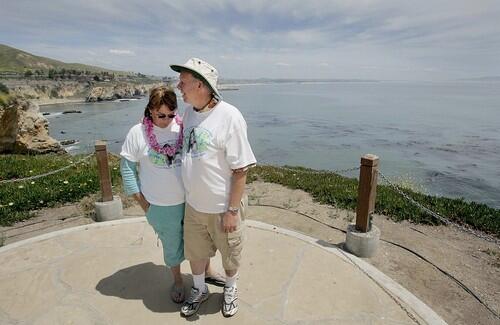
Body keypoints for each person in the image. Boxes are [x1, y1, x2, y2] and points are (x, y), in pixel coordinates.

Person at [120, 86, 224, 304]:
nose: (166, 119)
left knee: (200, 240)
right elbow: (127, 168)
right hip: (160, 205)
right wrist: (144, 204)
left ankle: (207, 271)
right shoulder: (136, 133)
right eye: (160, 115)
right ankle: (177, 280)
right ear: (150, 110)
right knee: (172, 245)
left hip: (192, 200)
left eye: (170, 114)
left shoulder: (182, 126)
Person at [170, 58, 256, 317]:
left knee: (230, 254)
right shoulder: (188, 113)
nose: (178, 86)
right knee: (196, 253)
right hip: (195, 205)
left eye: (183, 82)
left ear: (200, 85)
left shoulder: (230, 117)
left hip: (222, 207)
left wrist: (231, 210)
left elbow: (240, 170)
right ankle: (199, 289)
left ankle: (230, 288)